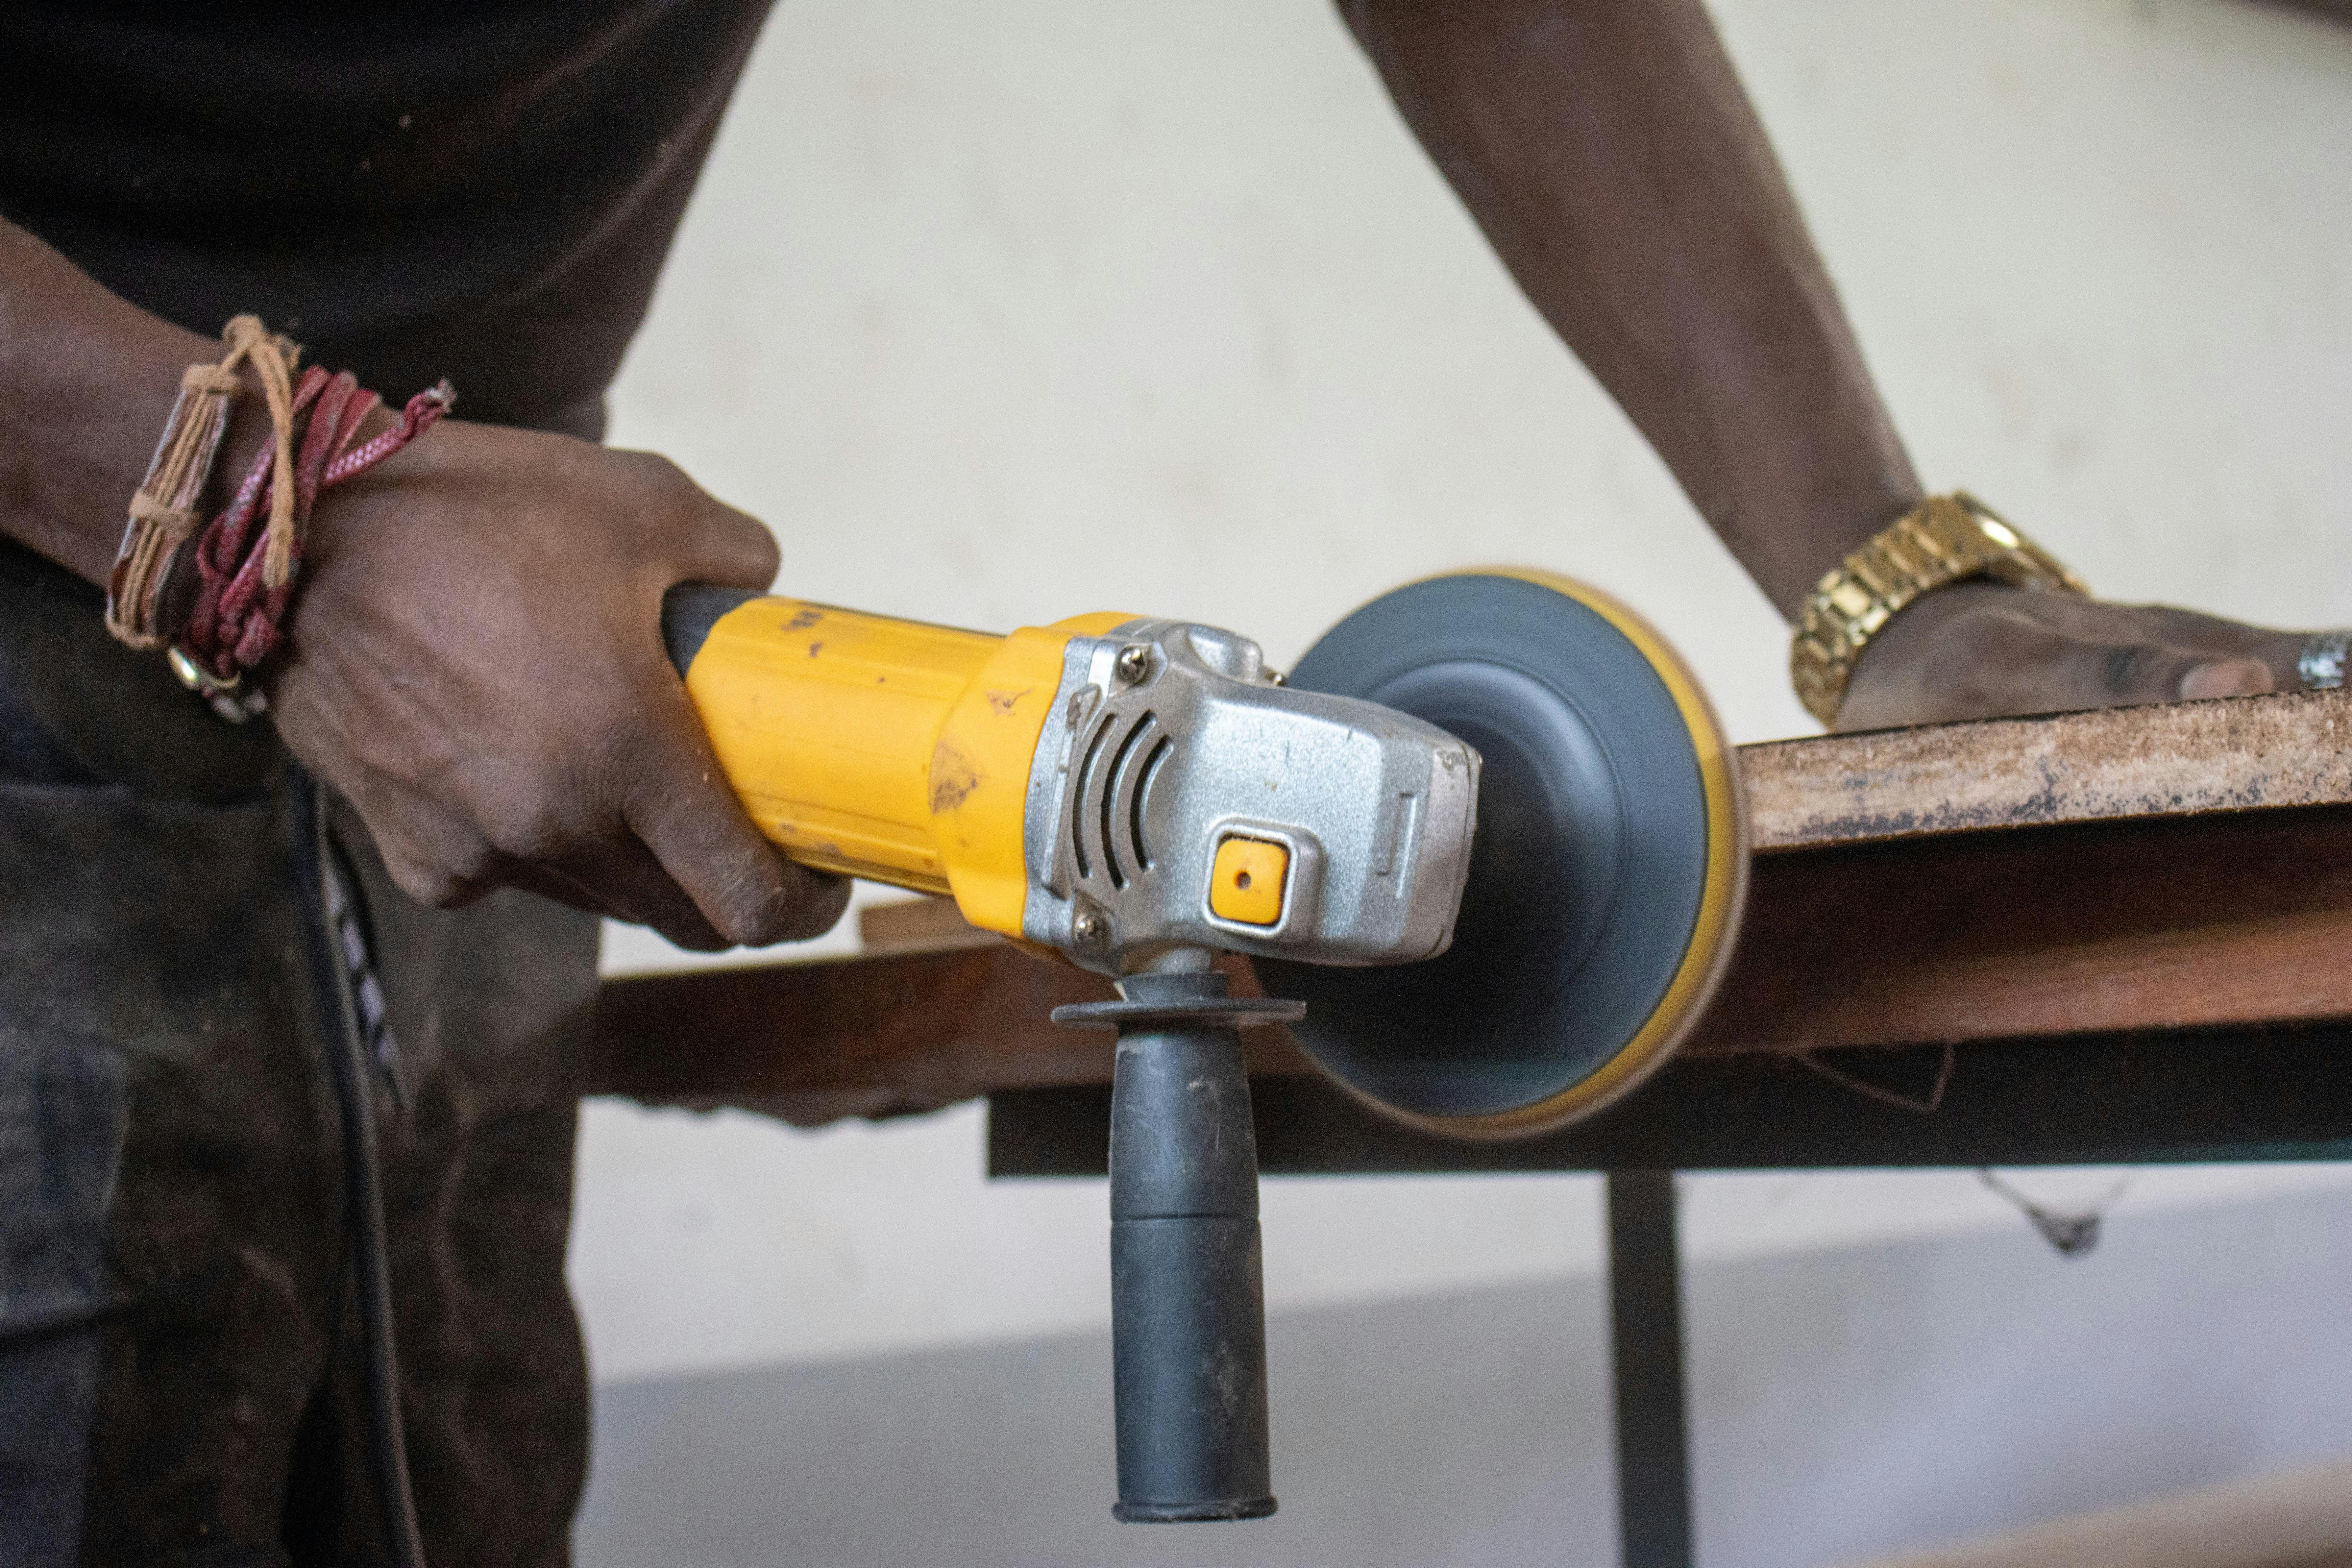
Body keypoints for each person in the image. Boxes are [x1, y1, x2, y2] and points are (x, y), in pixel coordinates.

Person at [0, 1, 2327, 1563]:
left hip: (511, 584)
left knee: (446, 1481)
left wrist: (1884, 585)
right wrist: (226, 501)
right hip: (70, 475)